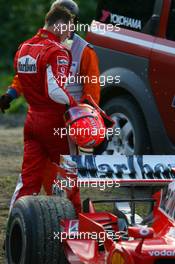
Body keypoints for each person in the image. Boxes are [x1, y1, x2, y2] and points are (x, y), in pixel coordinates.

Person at [0, 0, 101, 196]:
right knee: (45, 171)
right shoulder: (46, 46)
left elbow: (92, 90)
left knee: (66, 173)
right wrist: (11, 95)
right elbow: (25, 77)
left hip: (71, 119)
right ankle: (44, 212)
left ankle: (65, 213)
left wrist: (85, 118)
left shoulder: (85, 51)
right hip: (51, 116)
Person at [7, 5, 83, 214]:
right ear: (59, 25)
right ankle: (72, 227)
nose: (70, 34)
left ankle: (16, 225)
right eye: (69, 29)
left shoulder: (23, 48)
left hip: (31, 121)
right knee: (69, 175)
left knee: (28, 179)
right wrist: (77, 108)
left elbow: (21, 81)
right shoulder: (57, 51)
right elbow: (55, 90)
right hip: (54, 123)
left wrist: (10, 95)